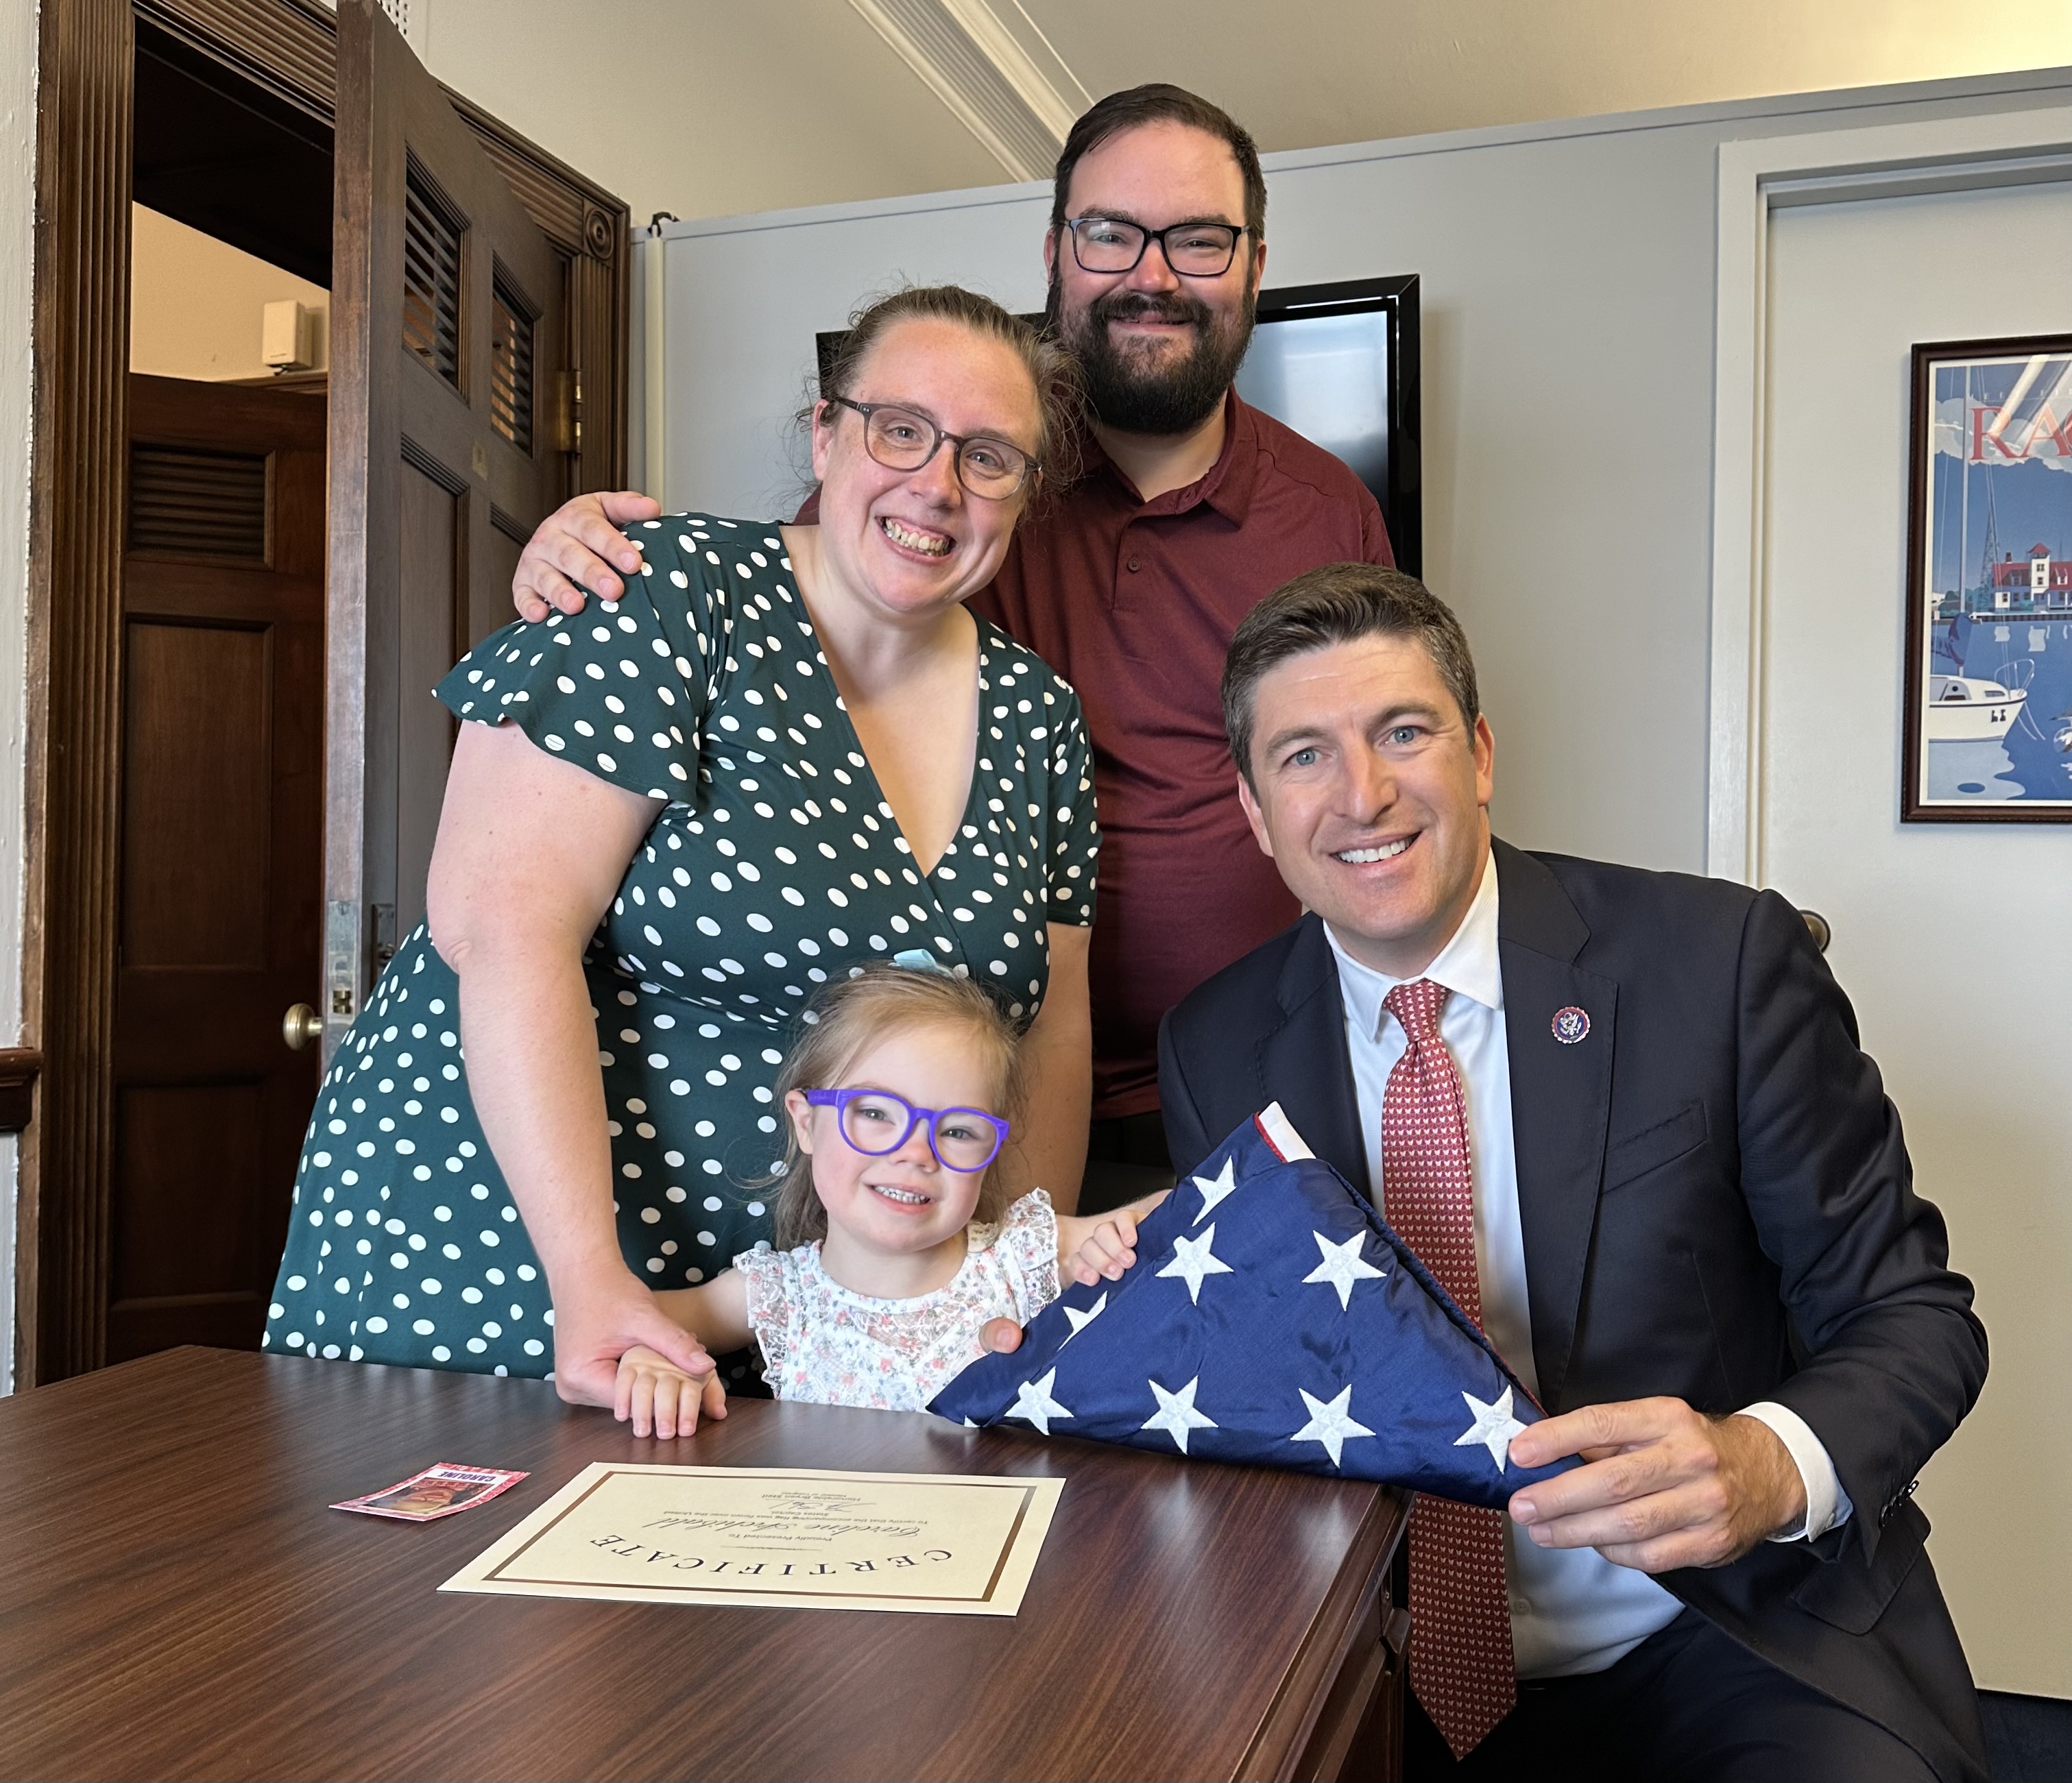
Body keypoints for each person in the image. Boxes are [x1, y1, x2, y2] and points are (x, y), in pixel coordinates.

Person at [1157, 563, 1989, 1781]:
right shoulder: (1212, 1047)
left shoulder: (1716, 964)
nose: (1363, 793)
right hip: (1388, 1656)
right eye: (1303, 756)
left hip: (1726, 1626)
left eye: (1403, 733)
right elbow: (1242, 1386)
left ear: (1480, 755)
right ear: (1251, 807)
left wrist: (1762, 1466)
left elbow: (1912, 1316)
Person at [508, 84, 1395, 1211]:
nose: (1153, 275)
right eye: (1111, 233)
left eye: (1198, 240)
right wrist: (592, 560)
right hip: (953, 1105)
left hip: (1246, 1085)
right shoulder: (934, 505)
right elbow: (780, 609)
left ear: (1254, 265)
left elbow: (1363, 770)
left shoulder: (1328, 509)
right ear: (1055, 253)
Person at [265, 285, 1101, 1408]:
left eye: (987, 457)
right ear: (824, 433)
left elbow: (1046, 1034)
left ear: (1025, 493)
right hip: (520, 1248)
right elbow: (503, 928)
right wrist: (590, 1278)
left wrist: (1008, 1294)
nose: (937, 485)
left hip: (813, 1308)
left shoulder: (1039, 716)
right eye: (899, 429)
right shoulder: (660, 590)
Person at [616, 965, 1164, 1437]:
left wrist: (1122, 1236)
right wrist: (652, 1360)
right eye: (875, 1113)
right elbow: (629, 1321)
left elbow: (1185, 1208)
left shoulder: (1024, 1254)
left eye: (958, 1130)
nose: (916, 1153)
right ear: (806, 1122)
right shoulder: (778, 1293)